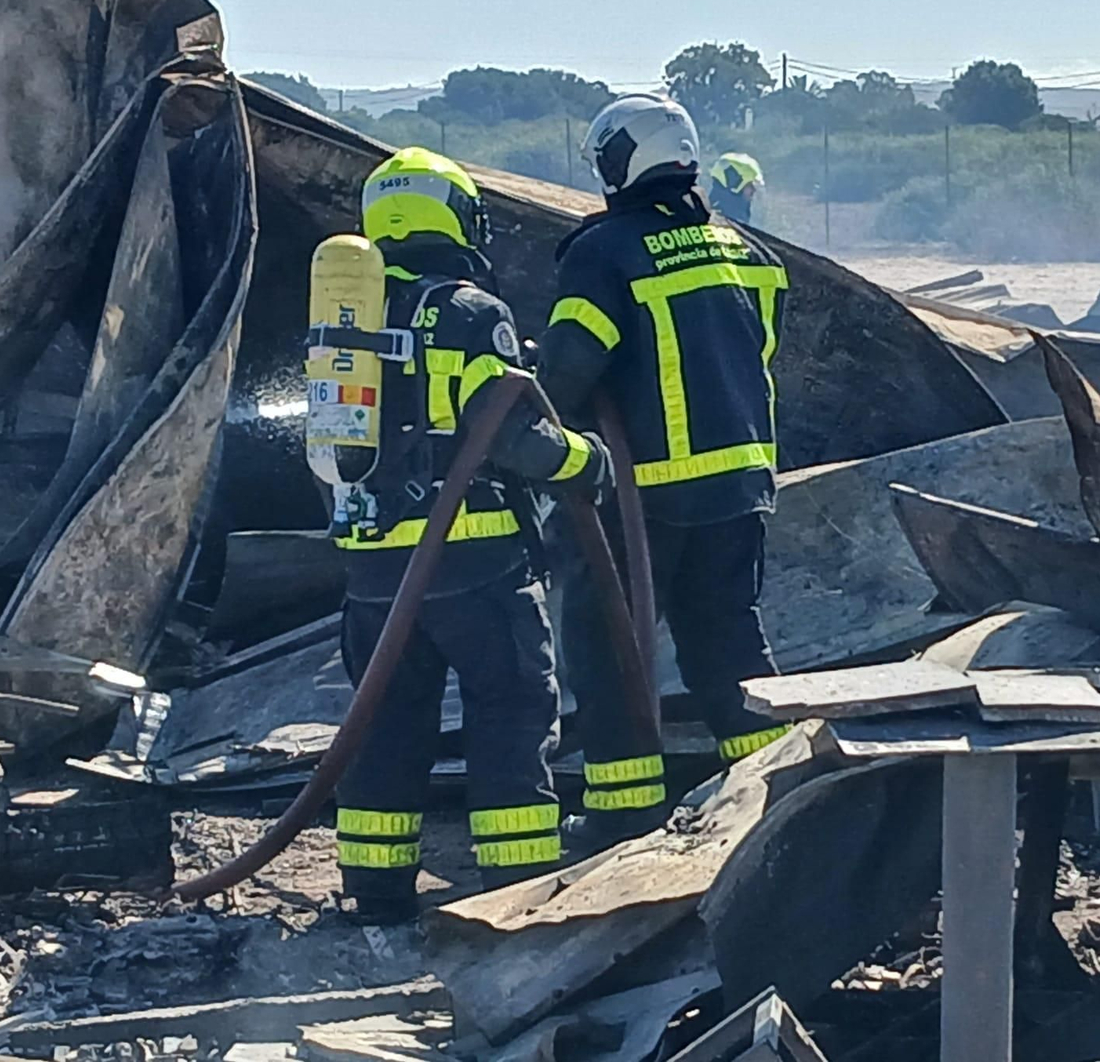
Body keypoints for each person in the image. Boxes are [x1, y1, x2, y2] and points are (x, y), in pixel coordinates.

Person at [330, 147, 610, 922]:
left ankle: (376, 893)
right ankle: (517, 893)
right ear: (453, 217)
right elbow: (516, 439)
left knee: (384, 725)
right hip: (474, 563)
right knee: (511, 711)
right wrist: (587, 461)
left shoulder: (346, 317)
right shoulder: (468, 311)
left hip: (372, 574)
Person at [536, 94, 790, 850]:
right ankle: (771, 794)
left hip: (643, 492)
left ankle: (623, 815)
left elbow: (571, 368)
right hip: (741, 480)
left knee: (609, 643)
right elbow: (756, 355)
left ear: (619, 161)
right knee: (728, 642)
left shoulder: (605, 251)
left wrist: (534, 406)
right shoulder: (747, 249)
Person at [707, 152, 765, 225]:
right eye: (750, 185)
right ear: (734, 182)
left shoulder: (742, 222)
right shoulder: (709, 221)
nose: (754, 190)